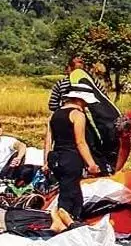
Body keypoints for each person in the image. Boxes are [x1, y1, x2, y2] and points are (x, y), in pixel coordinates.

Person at [43, 89, 102, 224]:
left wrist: (46, 161)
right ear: (79, 100)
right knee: (68, 194)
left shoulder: (54, 115)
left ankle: (76, 218)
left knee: (73, 191)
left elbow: (48, 140)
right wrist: (91, 164)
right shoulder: (77, 115)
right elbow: (80, 142)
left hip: (56, 158)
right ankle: (62, 220)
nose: (86, 105)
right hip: (71, 158)